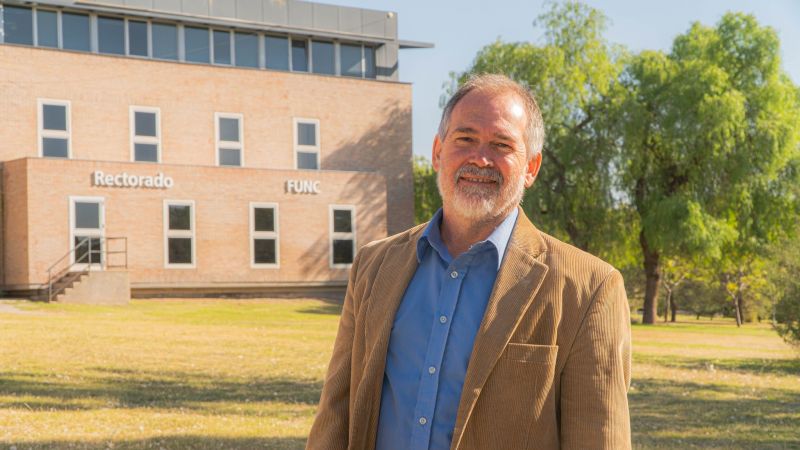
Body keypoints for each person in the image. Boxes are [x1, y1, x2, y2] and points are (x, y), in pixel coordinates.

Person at [306, 74, 632, 450]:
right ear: (437, 152)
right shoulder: (373, 266)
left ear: (531, 167)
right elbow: (336, 412)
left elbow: (598, 438)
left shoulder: (590, 288)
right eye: (465, 139)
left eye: (501, 145)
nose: (480, 158)